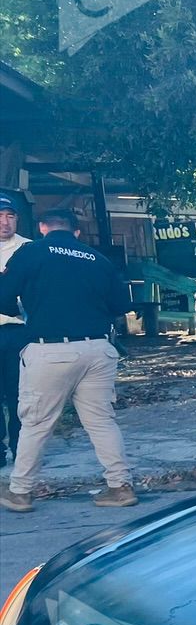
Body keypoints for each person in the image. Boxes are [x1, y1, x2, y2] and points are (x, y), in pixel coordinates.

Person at [0, 208, 136, 512]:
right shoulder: (97, 259)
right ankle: (120, 486)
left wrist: (23, 310)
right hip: (99, 350)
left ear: (42, 228)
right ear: (76, 232)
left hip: (50, 351)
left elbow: (2, 297)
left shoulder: (30, 252)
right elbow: (120, 305)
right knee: (101, 421)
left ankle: (20, 492)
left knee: (36, 423)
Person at [0, 194, 31, 467]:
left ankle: (22, 448)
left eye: (10, 216)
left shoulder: (29, 249)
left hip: (18, 332)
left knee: (18, 393)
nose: (4, 222)